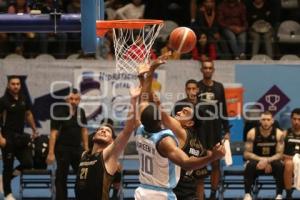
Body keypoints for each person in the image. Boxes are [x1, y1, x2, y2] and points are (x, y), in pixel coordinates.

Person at [134, 54, 225, 200]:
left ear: (190, 123)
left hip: (174, 191)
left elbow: (147, 106)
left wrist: (148, 75)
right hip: (183, 189)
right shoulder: (195, 141)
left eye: (185, 112)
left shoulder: (179, 131)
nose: (179, 111)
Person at [75, 87, 140, 200]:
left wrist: (133, 100)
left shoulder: (107, 155)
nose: (103, 130)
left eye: (108, 131)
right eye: (100, 129)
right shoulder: (84, 154)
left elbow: (127, 131)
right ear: (94, 136)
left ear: (112, 141)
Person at [46, 89, 89, 200]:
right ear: (66, 99)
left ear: (79, 100)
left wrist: (87, 149)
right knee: (61, 177)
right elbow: (53, 133)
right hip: (62, 149)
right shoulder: (58, 112)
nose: (73, 101)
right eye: (71, 99)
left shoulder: (81, 112)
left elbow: (84, 131)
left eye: (76, 99)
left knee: (83, 176)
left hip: (77, 149)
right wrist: (51, 153)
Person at [0, 75, 38, 200]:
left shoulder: (23, 98)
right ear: (8, 85)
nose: (16, 86)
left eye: (18, 84)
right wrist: (1, 139)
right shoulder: (3, 101)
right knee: (8, 166)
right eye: (13, 84)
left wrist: (34, 129)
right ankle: (7, 194)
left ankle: (6, 178)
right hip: (8, 139)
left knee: (28, 163)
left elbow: (28, 114)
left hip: (21, 138)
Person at [197, 59, 230, 200]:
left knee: (215, 163)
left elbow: (223, 109)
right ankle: (200, 193)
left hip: (215, 130)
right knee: (200, 164)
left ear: (213, 70)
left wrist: (227, 130)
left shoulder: (219, 87)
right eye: (205, 68)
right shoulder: (196, 86)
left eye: (210, 68)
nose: (208, 70)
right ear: (201, 70)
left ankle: (213, 194)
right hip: (200, 130)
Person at [244, 111, 284, 200]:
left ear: (272, 121)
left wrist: (268, 161)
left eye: (268, 119)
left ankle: (279, 194)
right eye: (263, 119)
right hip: (257, 162)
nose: (266, 122)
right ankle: (247, 194)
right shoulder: (252, 133)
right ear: (260, 121)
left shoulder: (279, 134)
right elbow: (246, 154)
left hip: (273, 162)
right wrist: (262, 160)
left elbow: (280, 154)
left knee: (279, 165)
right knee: (250, 165)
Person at [283, 108, 300, 200]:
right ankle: (289, 195)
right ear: (291, 119)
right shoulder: (285, 133)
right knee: (289, 164)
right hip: (288, 161)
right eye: (294, 119)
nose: (296, 122)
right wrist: (287, 157)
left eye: (299, 119)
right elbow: (279, 153)